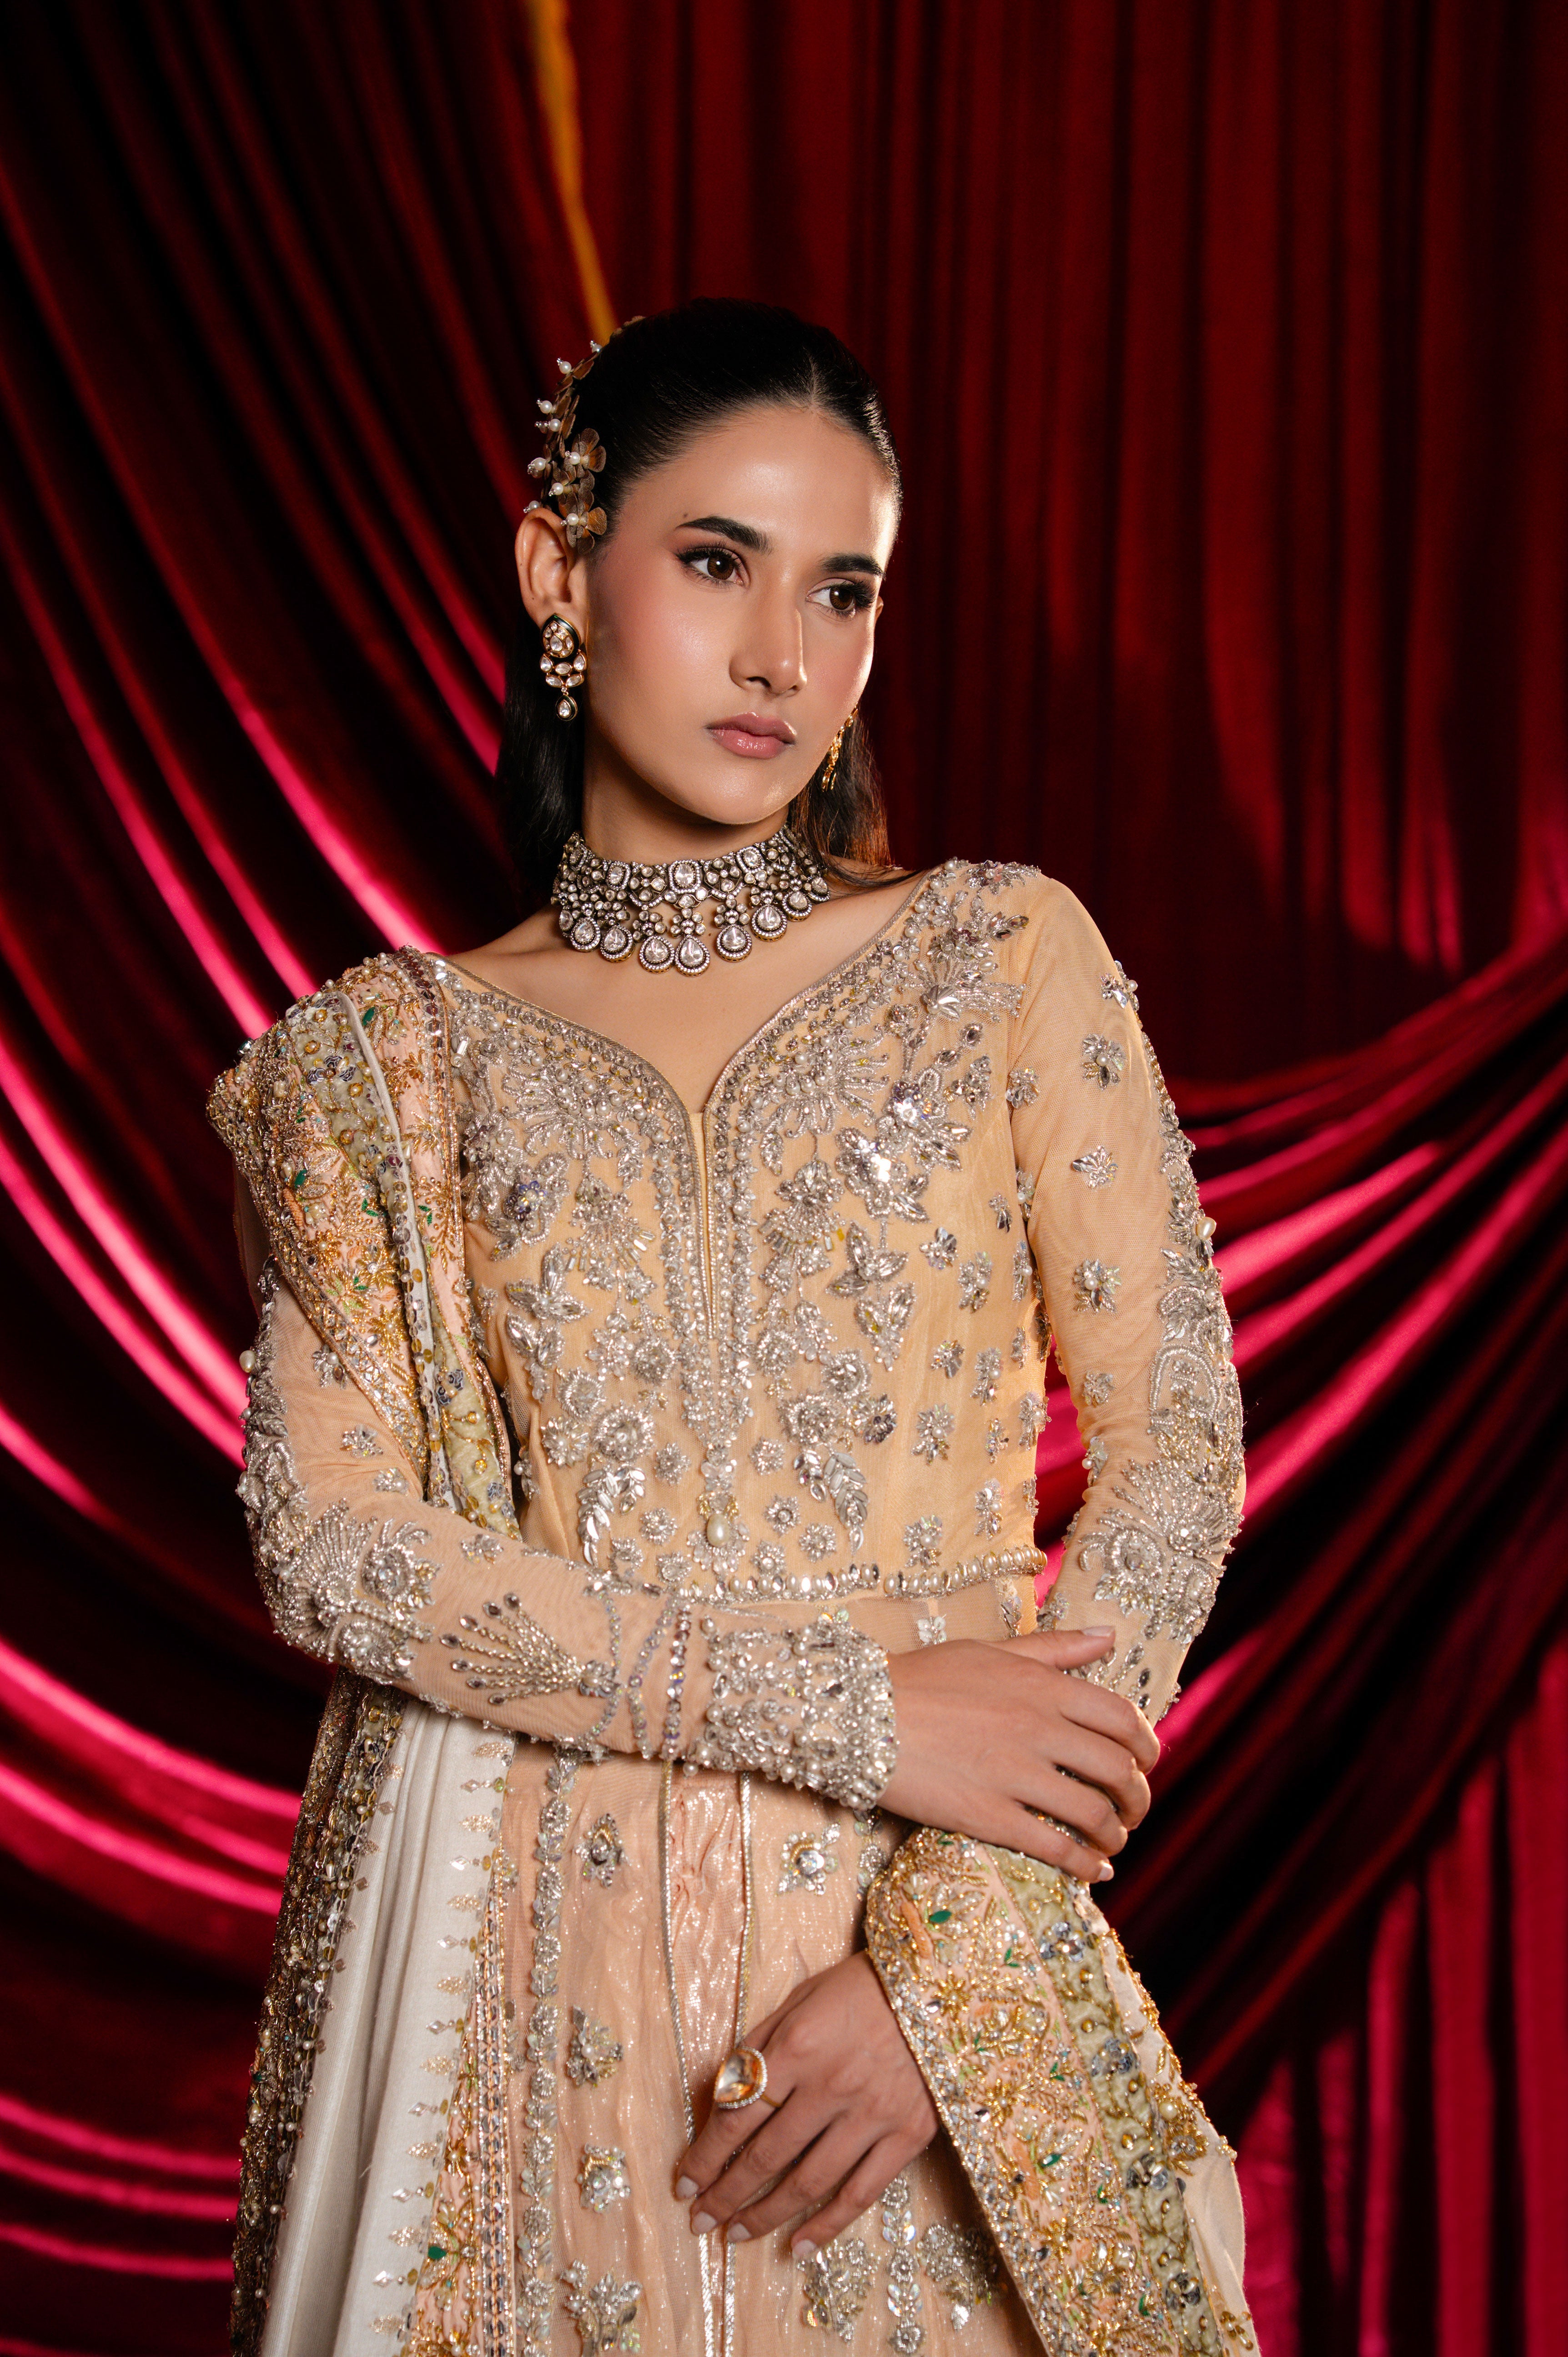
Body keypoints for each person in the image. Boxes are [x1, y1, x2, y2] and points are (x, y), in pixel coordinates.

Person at [212, 298, 1253, 2357]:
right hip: (520, 2004)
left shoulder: (994, 960)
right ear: (559, 569)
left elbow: (1174, 1454)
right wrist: (860, 1715)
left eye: (841, 589)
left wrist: (952, 1972)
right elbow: (332, 1544)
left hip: (910, 1987)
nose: (784, 653)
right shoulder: (389, 1065)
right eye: (715, 560)